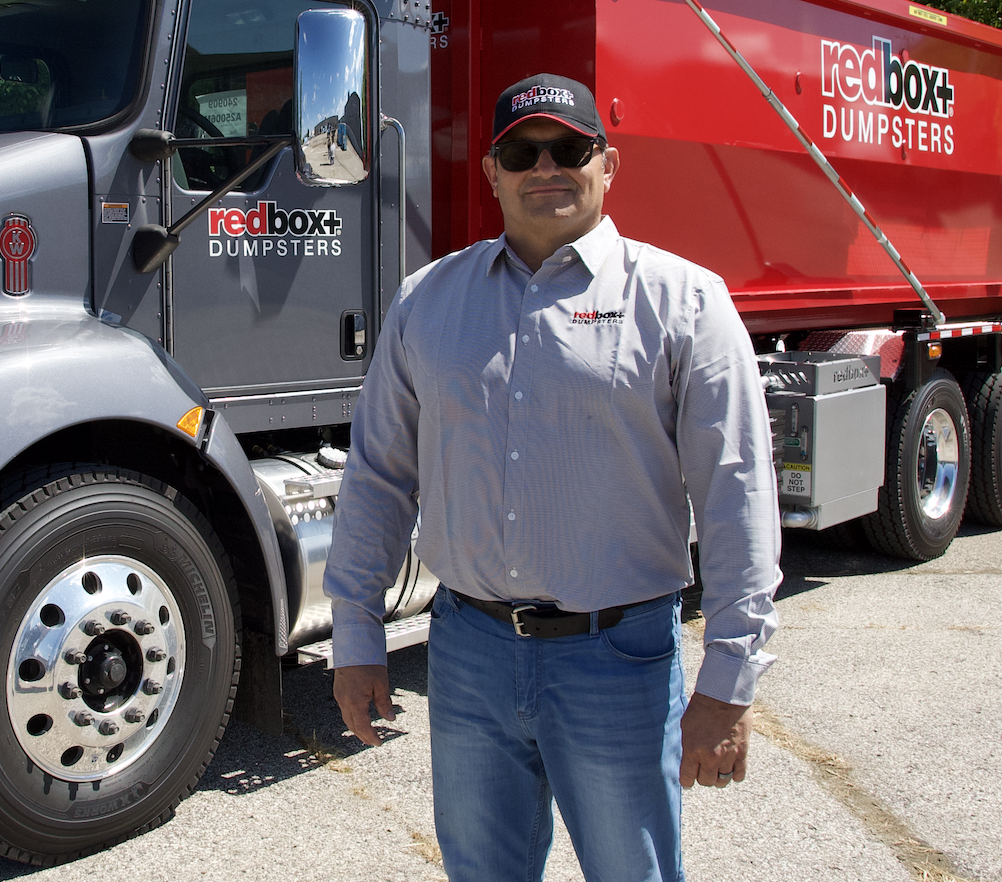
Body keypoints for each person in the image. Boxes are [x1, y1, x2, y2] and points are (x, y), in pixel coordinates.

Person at [323, 73, 781, 882]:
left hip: (619, 658)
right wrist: (355, 636)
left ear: (608, 166)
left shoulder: (684, 303)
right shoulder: (427, 302)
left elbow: (736, 496)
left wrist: (729, 683)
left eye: (569, 149)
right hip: (466, 652)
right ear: (491, 172)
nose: (547, 167)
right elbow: (379, 478)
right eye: (521, 151)